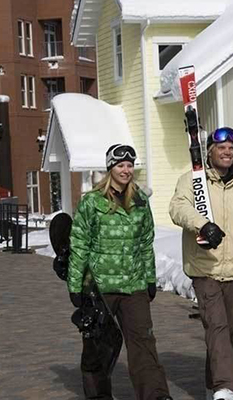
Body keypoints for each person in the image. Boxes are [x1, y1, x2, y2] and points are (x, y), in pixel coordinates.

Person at [67, 144, 173, 400]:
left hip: (133, 285)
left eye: (129, 165)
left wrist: (149, 279)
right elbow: (79, 244)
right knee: (98, 346)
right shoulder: (92, 202)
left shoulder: (140, 201)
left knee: (143, 344)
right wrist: (75, 285)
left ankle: (156, 395)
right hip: (100, 287)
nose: (126, 170)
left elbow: (146, 242)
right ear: (110, 168)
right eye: (120, 165)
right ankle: (99, 395)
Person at [169, 127, 233, 400]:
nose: (227, 152)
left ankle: (212, 385)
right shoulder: (193, 181)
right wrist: (203, 224)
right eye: (221, 147)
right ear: (209, 151)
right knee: (217, 326)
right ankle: (227, 388)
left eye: (231, 148)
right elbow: (178, 208)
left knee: (228, 329)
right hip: (205, 268)